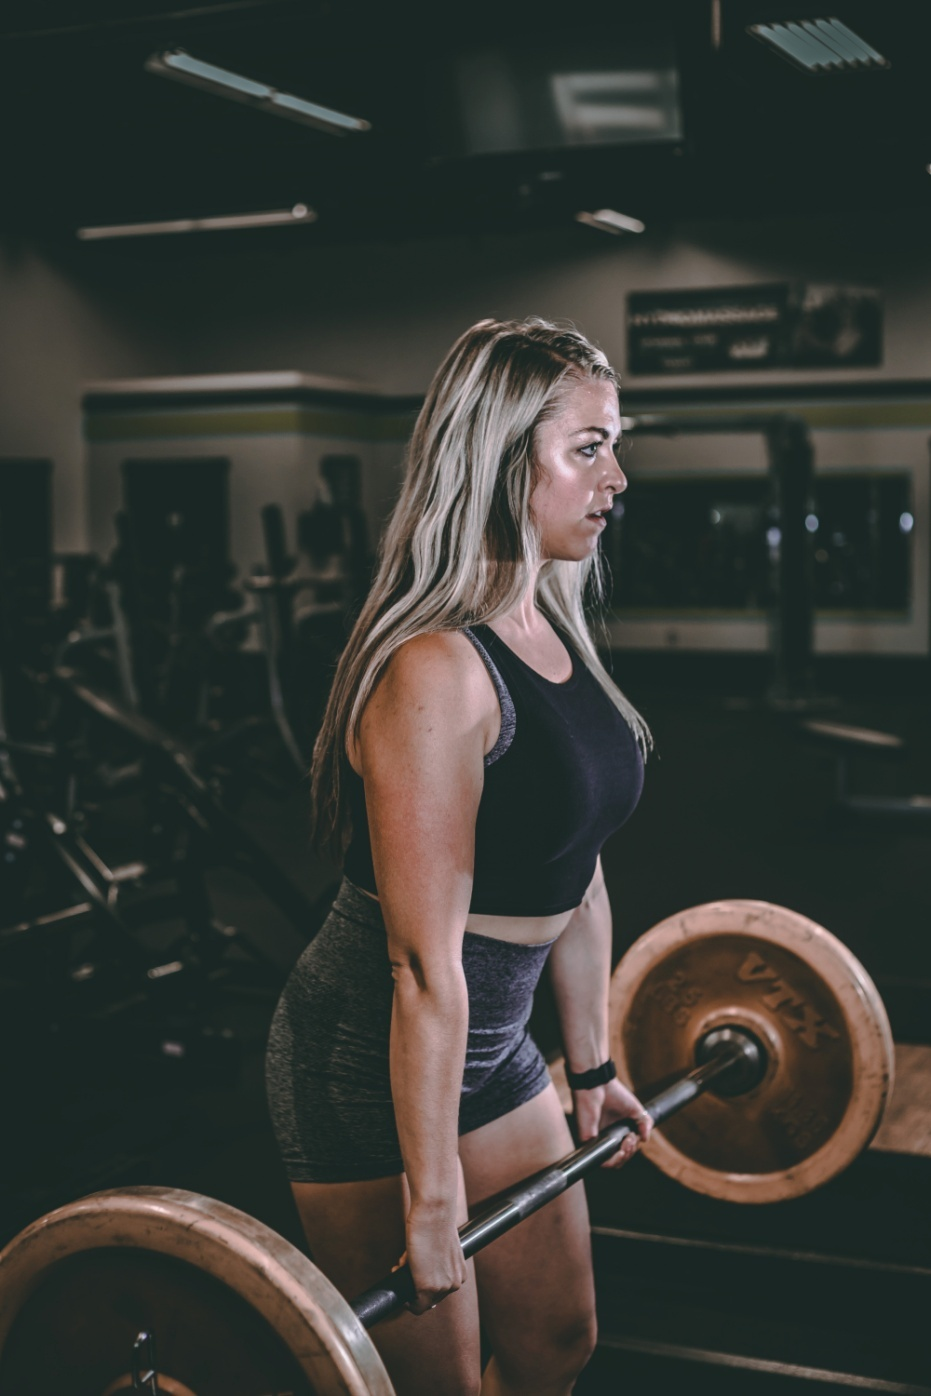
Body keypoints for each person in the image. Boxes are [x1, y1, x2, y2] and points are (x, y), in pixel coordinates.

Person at [266, 317, 654, 1396]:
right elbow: (420, 967)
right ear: (497, 459)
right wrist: (432, 1202)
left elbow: (579, 869)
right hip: (368, 1059)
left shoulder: (553, 631)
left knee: (556, 1339)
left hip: (489, 1042)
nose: (616, 476)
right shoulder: (438, 669)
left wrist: (593, 1069)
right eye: (588, 447)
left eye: (614, 445)